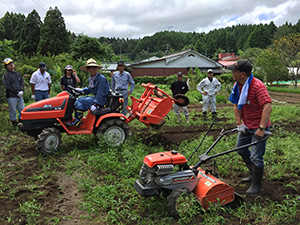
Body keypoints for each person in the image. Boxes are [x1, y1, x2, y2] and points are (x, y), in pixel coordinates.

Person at [227, 59, 272, 195]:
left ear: (242, 73)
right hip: (247, 125)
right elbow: (236, 104)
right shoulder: (238, 85)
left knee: (256, 157)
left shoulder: (257, 86)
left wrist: (262, 128)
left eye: (234, 71)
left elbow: (267, 106)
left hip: (259, 126)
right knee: (240, 149)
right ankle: (253, 174)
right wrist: (239, 123)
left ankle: (256, 185)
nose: (232, 73)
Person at [67, 58, 110, 127]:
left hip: (102, 100)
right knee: (78, 99)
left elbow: (100, 92)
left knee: (80, 101)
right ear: (88, 69)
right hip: (96, 98)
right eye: (91, 68)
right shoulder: (91, 78)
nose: (93, 69)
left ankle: (77, 122)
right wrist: (80, 90)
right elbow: (90, 89)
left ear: (97, 68)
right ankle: (74, 119)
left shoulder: (101, 79)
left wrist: (96, 104)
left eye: (94, 67)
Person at [2, 58, 25, 126]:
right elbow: (8, 86)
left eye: (12, 63)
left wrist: (22, 91)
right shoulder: (6, 75)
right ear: (6, 66)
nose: (11, 65)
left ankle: (21, 124)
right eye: (9, 64)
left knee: (22, 110)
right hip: (11, 96)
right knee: (13, 111)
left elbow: (22, 83)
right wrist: (17, 92)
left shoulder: (17, 74)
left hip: (20, 96)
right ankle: (14, 125)